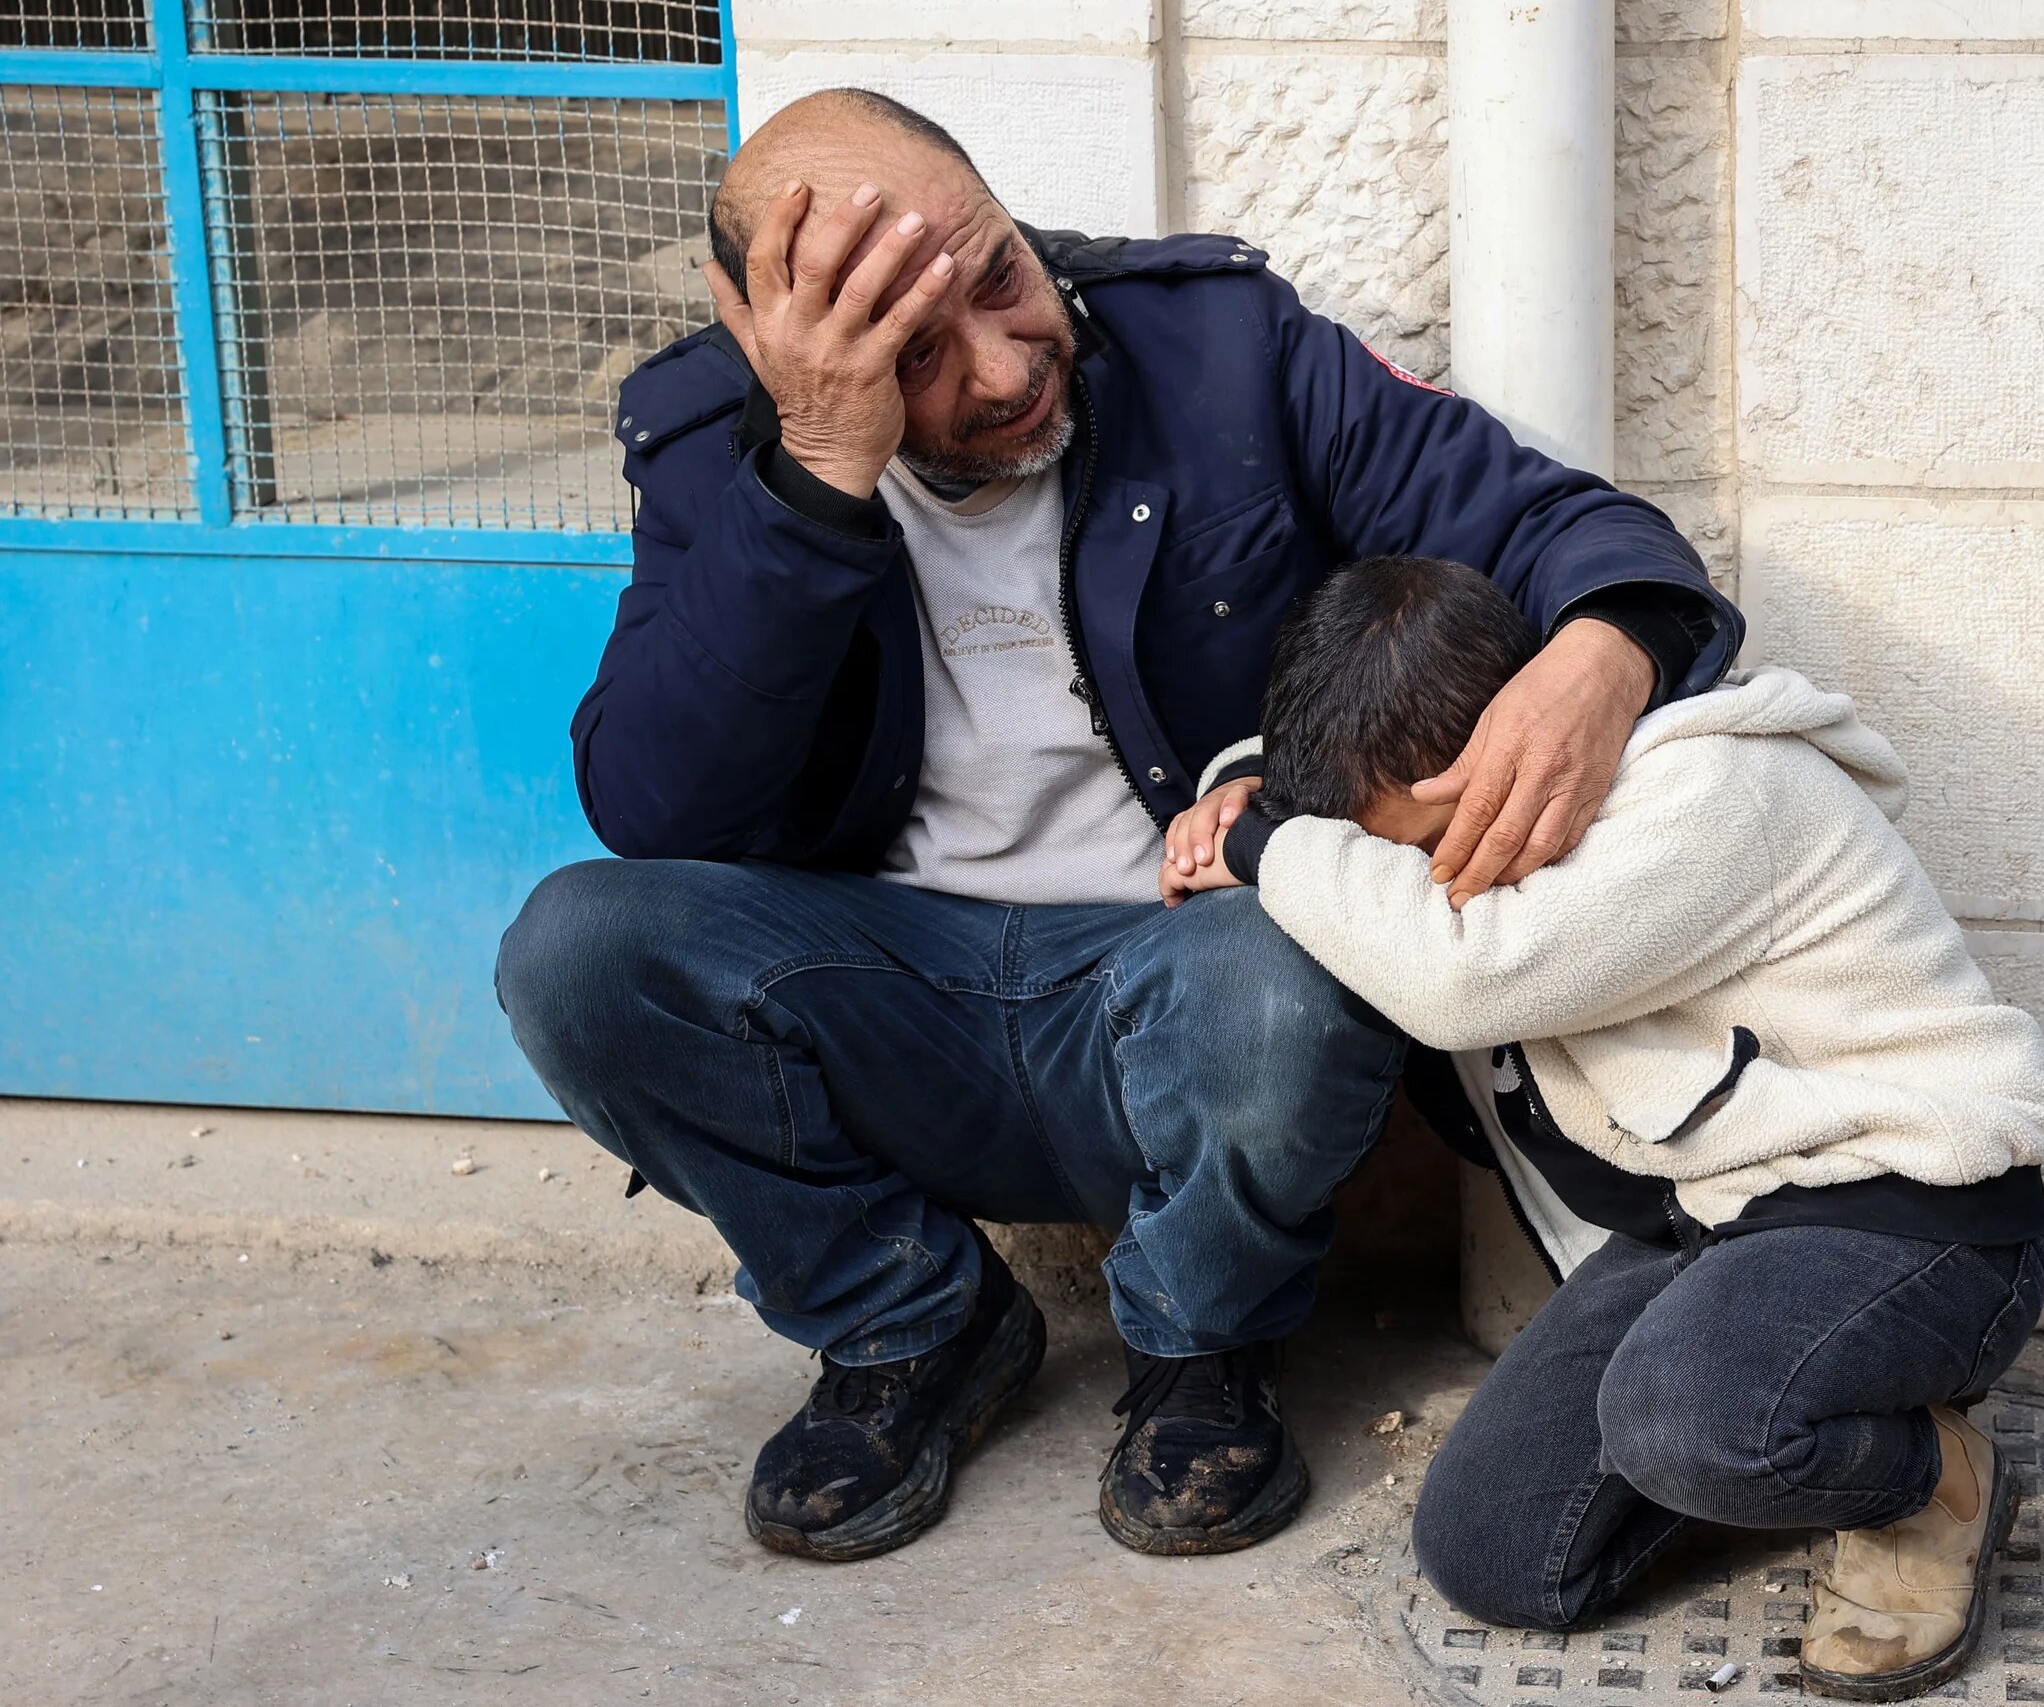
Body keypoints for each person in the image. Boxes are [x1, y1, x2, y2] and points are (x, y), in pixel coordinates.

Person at [491, 88, 1741, 1564]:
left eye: (1000, 279)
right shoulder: (716, 440)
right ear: (781, 350)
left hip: (1191, 974)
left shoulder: (1214, 346)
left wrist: (1607, 648)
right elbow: (658, 805)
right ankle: (915, 1329)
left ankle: (1203, 1346)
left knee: (1284, 960)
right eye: (916, 358)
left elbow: (1545, 521)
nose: (1008, 366)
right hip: (892, 993)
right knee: (577, 952)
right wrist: (816, 481)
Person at [1163, 559, 2044, 1701]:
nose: (1420, 882)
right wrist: (1246, 787)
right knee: (1495, 1558)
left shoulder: (1708, 797)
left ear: (1524, 742)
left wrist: (1257, 848)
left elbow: (1459, 980)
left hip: (1910, 1218)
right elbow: (1346, 825)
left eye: (1431, 844)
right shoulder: (1452, 804)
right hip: (1705, 1220)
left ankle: (1929, 1479)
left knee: (1688, 1424)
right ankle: (1773, 1420)